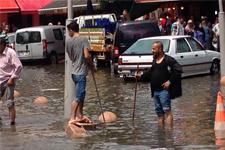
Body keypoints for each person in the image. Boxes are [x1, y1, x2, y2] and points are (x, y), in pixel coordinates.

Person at [136, 41, 182, 127]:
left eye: (154, 49)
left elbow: (178, 70)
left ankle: (169, 134)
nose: (152, 51)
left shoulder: (168, 60)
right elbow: (150, 73)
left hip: (164, 91)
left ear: (160, 49)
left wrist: (170, 81)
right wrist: (140, 76)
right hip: (155, 91)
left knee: (167, 111)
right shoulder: (155, 60)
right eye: (152, 49)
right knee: (159, 114)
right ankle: (161, 133)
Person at [66, 21, 95, 123]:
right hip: (81, 72)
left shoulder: (68, 42)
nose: (68, 33)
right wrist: (92, 65)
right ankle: (72, 117)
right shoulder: (83, 39)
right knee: (78, 96)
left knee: (82, 94)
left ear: (71, 30)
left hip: (74, 72)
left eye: (68, 31)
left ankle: (80, 115)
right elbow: (87, 55)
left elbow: (70, 56)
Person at [0, 37, 23, 125]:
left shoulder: (11, 52)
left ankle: (12, 123)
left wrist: (12, 78)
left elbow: (19, 66)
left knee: (9, 101)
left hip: (9, 79)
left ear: (3, 45)